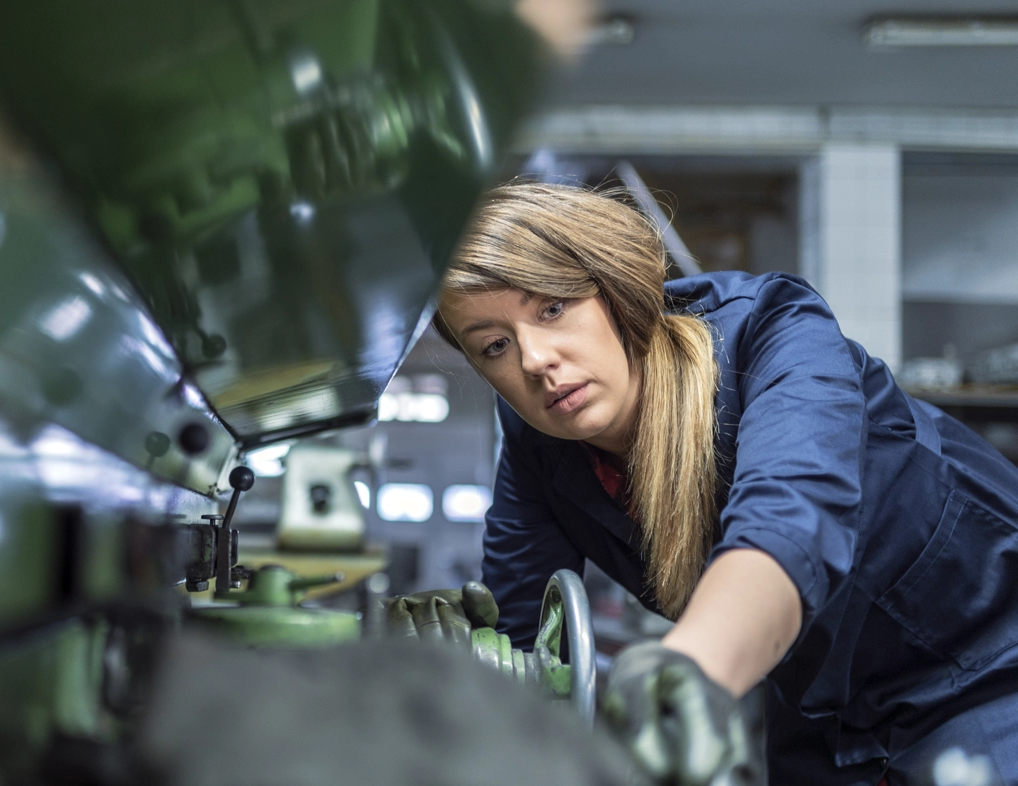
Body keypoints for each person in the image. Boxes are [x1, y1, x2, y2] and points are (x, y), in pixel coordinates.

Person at [387, 181, 1018, 786]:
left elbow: (788, 524)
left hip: (985, 663)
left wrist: (690, 668)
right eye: (494, 346)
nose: (534, 360)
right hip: (821, 714)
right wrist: (465, 661)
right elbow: (526, 635)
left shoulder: (771, 333)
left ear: (615, 289)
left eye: (552, 308)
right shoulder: (540, 444)